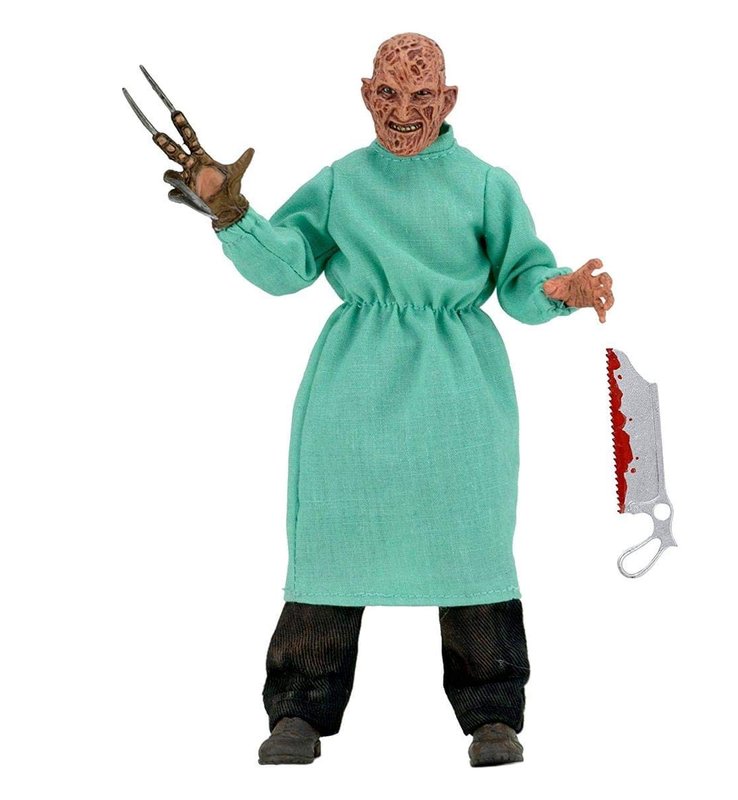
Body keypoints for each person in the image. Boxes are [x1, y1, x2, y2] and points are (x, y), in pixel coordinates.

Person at [125, 32, 613, 767]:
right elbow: (288, 265)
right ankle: (300, 708)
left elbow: (520, 279)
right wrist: (232, 212)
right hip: (354, 388)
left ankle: (491, 712)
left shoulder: (486, 185)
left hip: (459, 394)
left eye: (421, 96)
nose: (404, 110)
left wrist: (561, 288)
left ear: (448, 100)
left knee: (471, 542)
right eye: (388, 93)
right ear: (365, 95)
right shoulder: (342, 182)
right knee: (332, 537)